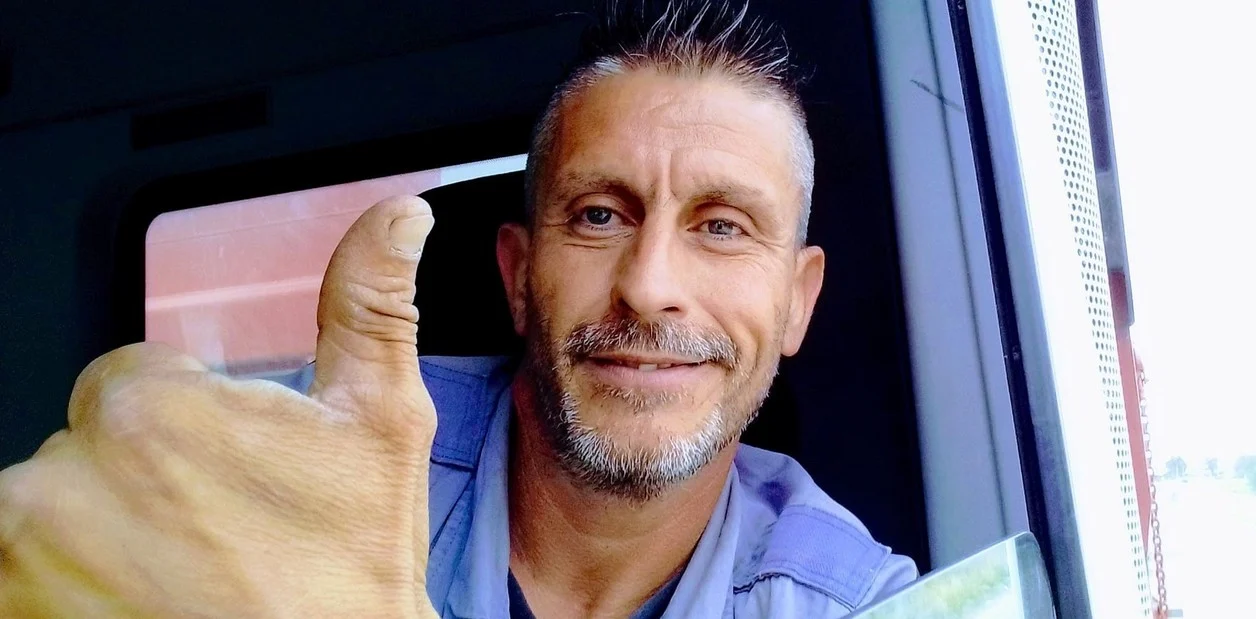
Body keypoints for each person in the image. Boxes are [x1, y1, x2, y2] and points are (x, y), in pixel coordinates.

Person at [0, 1, 916, 617]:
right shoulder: (324, 452)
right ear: (518, 275)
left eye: (722, 227)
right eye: (599, 215)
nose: (649, 284)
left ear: (796, 304)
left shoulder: (860, 602)